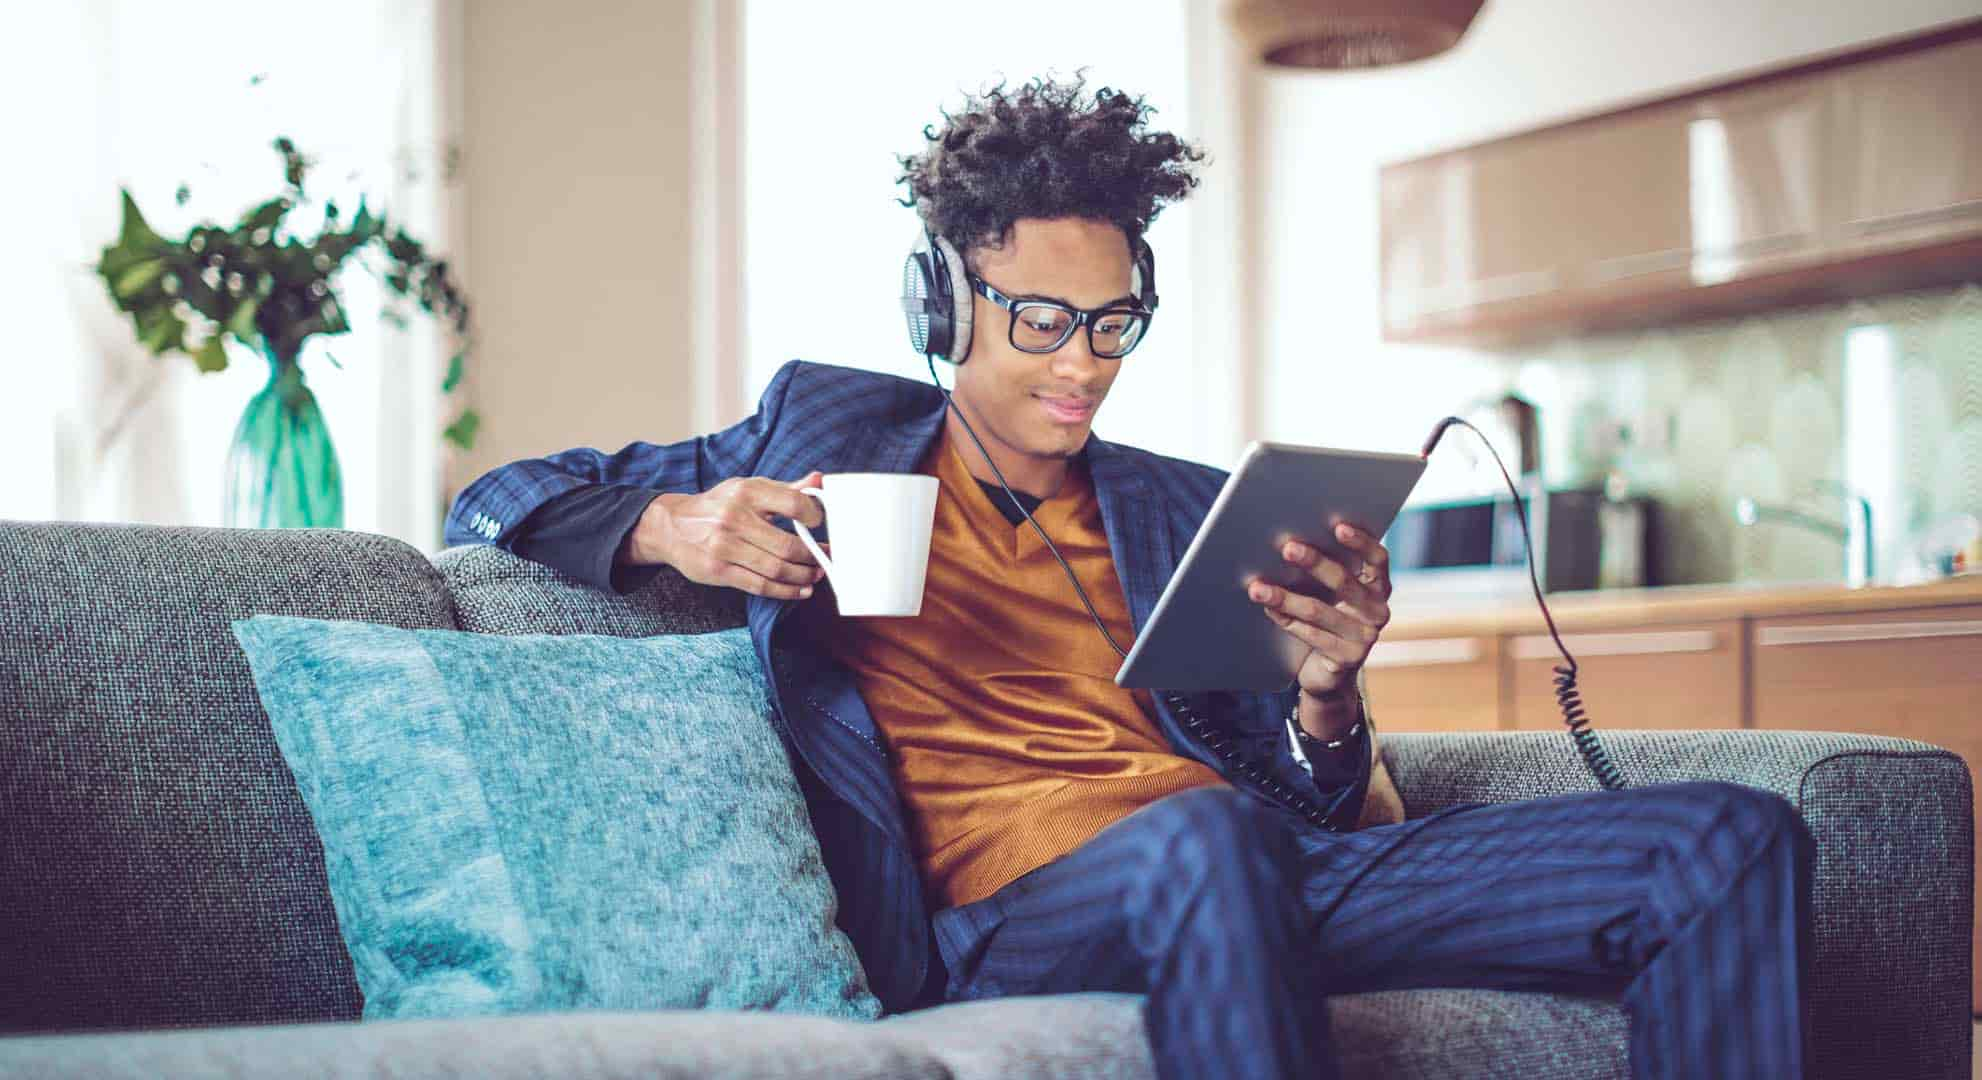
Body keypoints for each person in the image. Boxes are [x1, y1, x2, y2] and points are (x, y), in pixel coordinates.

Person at [444, 76, 1814, 1080]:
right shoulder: (824, 428)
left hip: (1251, 871)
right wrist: (674, 525)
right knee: (1206, 843)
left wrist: (1327, 699)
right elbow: (498, 492)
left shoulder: (1181, 506)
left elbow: (1308, 801)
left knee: (1727, 838)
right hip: (1005, 919)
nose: (1080, 362)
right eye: (1038, 320)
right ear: (944, 306)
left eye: (1112, 324)